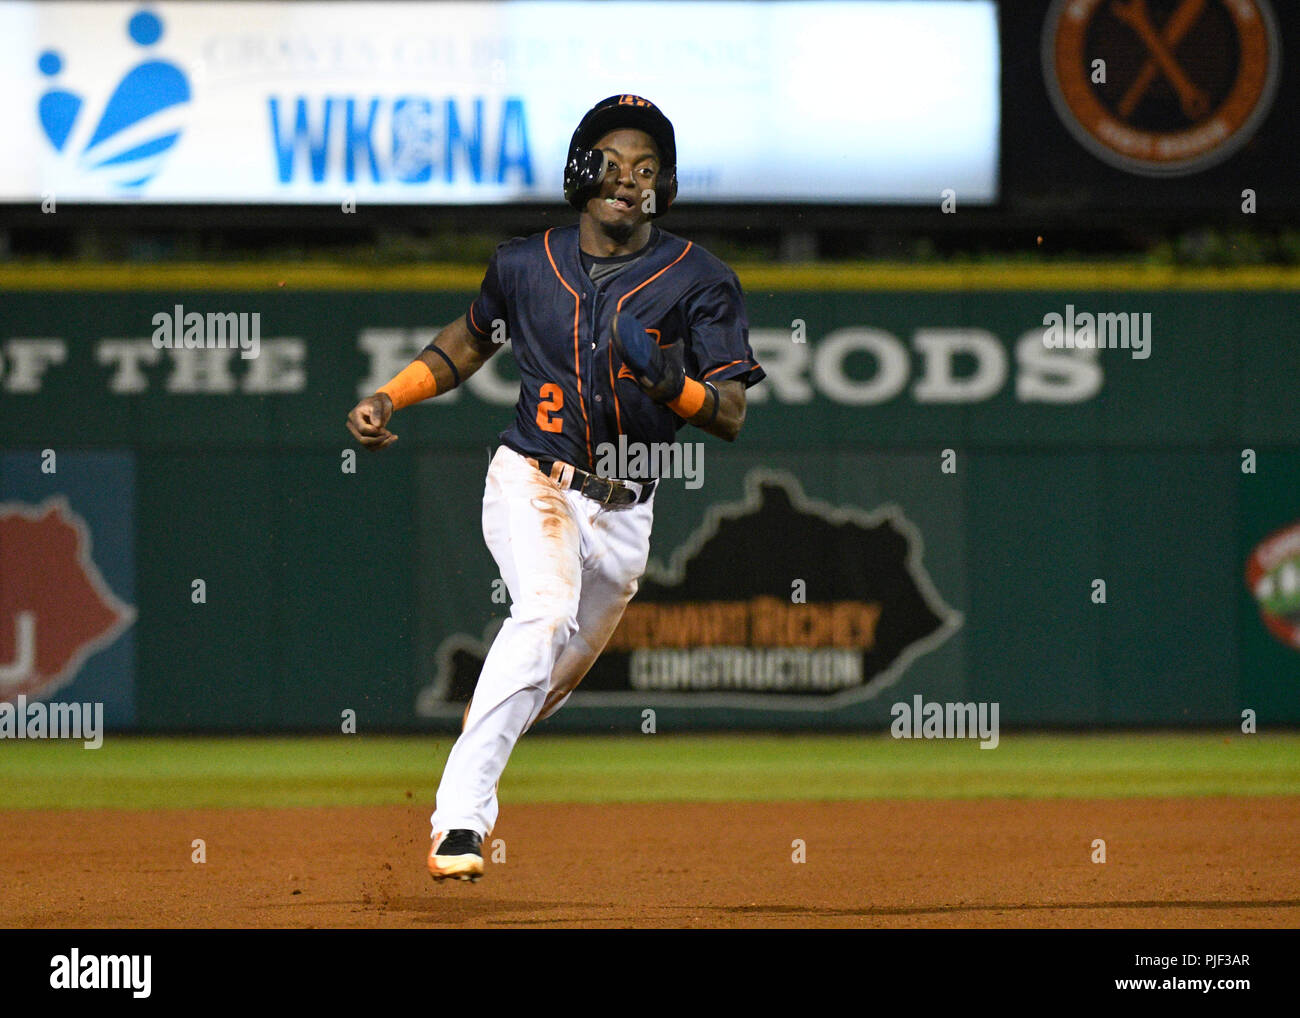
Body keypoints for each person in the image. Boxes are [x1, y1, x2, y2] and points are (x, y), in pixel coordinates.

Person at [346, 94, 765, 882]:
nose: (628, 178)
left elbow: (732, 413)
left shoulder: (701, 279)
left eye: (647, 167)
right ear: (580, 168)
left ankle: (481, 741)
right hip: (534, 475)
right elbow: (468, 342)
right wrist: (390, 396)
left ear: (663, 186)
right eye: (611, 161)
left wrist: (673, 385)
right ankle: (459, 823)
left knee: (551, 675)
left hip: (627, 511)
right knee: (541, 614)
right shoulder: (521, 262)